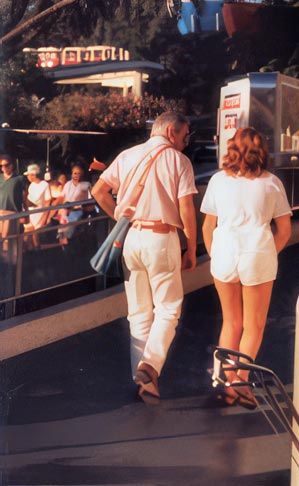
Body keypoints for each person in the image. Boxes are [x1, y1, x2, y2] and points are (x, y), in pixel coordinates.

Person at [92, 111, 197, 403]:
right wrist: (191, 247)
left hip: (130, 238)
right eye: (185, 135)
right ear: (172, 132)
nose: (186, 142)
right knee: (168, 309)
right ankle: (149, 366)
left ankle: (144, 383)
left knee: (138, 313)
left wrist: (120, 216)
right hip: (161, 238)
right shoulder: (178, 161)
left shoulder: (127, 155)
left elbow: (99, 190)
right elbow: (186, 207)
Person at [200, 126, 291, 408]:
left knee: (231, 322)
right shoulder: (271, 183)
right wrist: (266, 254)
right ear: (260, 151)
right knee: (254, 325)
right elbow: (284, 230)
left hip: (224, 252)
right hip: (257, 252)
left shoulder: (218, 181)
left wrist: (216, 255)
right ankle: (240, 381)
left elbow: (207, 226)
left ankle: (227, 384)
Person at [0, 154, 27, 261]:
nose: (4, 168)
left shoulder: (19, 179)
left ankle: (11, 264)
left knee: (9, 239)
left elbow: (24, 197)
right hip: (1, 211)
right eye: (1, 166)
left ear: (12, 165)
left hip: (13, 212)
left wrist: (26, 212)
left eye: (7, 165)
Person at [58, 164, 93, 246]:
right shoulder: (67, 184)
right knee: (62, 218)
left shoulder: (86, 185)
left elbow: (90, 201)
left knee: (73, 219)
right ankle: (62, 242)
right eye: (75, 173)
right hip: (66, 209)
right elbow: (63, 197)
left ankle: (68, 241)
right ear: (72, 174)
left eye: (79, 173)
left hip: (79, 209)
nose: (77, 175)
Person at [23, 164, 55, 249]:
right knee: (27, 235)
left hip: (39, 213)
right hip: (30, 213)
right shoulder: (31, 185)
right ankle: (30, 254)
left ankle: (38, 253)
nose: (28, 177)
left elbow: (48, 203)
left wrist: (44, 218)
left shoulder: (44, 185)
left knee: (35, 235)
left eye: (29, 175)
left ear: (33, 175)